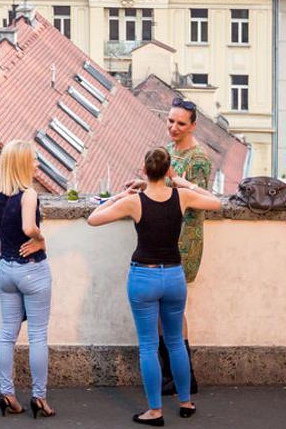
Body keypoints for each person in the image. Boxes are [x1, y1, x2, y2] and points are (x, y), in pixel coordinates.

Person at [89, 147, 222, 426]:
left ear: (144, 169)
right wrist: (182, 181)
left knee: (148, 346)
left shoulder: (134, 202)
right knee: (175, 343)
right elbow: (216, 202)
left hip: (144, 278)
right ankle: (185, 402)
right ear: (167, 169)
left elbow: (94, 218)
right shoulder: (181, 196)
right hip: (174, 276)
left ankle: (155, 411)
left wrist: (118, 197)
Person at [125, 96, 211, 398]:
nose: (173, 128)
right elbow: (161, 187)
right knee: (164, 313)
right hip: (164, 239)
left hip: (183, 240)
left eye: (180, 123)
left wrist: (171, 185)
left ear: (193, 126)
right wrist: (143, 185)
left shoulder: (198, 159)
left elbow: (199, 201)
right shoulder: (170, 151)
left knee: (172, 313)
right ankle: (173, 375)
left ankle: (183, 375)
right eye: (170, 121)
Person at [0, 140, 53, 418]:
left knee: (7, 334)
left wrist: (6, 226)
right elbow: (28, 227)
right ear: (22, 164)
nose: (36, 164)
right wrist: (41, 239)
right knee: (37, 336)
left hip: (7, 270)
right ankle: (39, 398)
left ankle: (7, 393)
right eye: (33, 160)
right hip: (32, 269)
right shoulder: (29, 193)